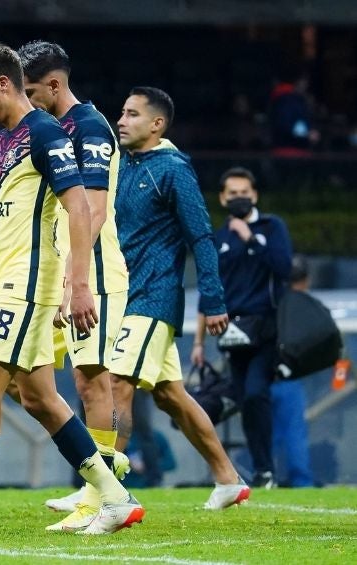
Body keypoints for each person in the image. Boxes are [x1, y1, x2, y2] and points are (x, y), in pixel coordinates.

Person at [0, 42, 142, 537]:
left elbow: (88, 208)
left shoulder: (71, 129)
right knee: (34, 393)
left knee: (79, 378)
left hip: (70, 274)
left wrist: (77, 282)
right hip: (31, 278)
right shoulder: (8, 140)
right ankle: (110, 490)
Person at [110, 86, 250, 510]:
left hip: (154, 295)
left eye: (132, 114)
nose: (121, 120)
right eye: (122, 112)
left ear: (157, 124)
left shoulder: (172, 170)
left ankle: (105, 491)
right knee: (170, 395)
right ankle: (228, 479)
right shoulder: (123, 164)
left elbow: (201, 237)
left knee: (116, 381)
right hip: (126, 293)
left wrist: (214, 299)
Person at [14, 40, 132, 526]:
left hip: (92, 274)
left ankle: (99, 494)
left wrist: (74, 281)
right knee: (24, 380)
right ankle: (102, 471)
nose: (24, 100)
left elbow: (95, 210)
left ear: (54, 84)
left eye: (30, 91)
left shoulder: (89, 128)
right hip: (57, 274)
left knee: (92, 379)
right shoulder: (50, 128)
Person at [190, 166, 292, 489]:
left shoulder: (271, 227)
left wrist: (251, 238)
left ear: (255, 195)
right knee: (246, 397)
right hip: (232, 335)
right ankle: (255, 471)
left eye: (244, 193)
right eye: (232, 193)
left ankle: (265, 469)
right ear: (222, 198)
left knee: (255, 393)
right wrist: (198, 343)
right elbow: (209, 291)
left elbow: (284, 268)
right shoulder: (218, 239)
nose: (239, 198)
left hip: (268, 331)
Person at [270, 254, 315, 487]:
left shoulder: (271, 299)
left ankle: (266, 478)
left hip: (265, 376)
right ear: (306, 279)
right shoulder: (306, 307)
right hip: (290, 380)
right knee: (294, 434)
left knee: (269, 434)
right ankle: (301, 482)